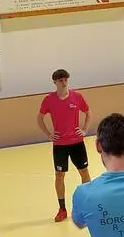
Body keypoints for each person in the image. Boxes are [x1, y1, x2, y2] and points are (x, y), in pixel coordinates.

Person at [38, 68, 92, 222]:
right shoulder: (49, 99)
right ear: (55, 82)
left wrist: (84, 129)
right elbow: (39, 118)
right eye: (60, 80)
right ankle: (62, 209)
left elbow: (88, 112)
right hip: (60, 144)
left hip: (77, 143)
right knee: (59, 175)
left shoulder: (77, 97)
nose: (63, 82)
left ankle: (88, 206)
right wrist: (48, 134)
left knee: (84, 172)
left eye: (65, 79)